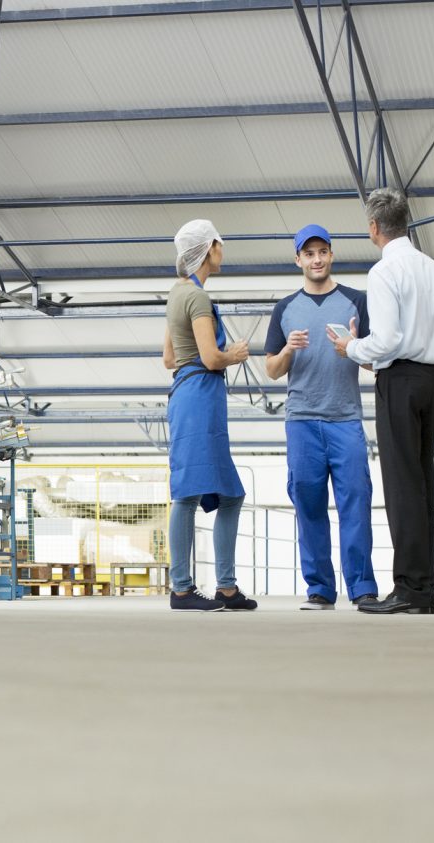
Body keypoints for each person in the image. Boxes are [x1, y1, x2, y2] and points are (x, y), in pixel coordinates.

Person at [329, 188, 434, 614]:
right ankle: (423, 589)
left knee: (403, 486)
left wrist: (352, 346)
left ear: (373, 228)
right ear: (407, 221)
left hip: (400, 381)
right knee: (422, 483)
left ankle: (408, 588)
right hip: (433, 380)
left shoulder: (385, 273)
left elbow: (386, 340)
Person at [264, 224, 378, 610]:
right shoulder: (284, 309)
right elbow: (272, 370)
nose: (316, 259)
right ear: (298, 259)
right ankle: (320, 589)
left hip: (345, 419)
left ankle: (362, 587)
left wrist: (354, 350)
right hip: (302, 422)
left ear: (332, 255)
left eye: (322, 252)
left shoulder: (356, 301)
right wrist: (289, 351)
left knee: (356, 502)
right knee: (308, 504)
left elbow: (376, 361)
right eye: (308, 254)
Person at [163, 219, 258, 612]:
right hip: (200, 395)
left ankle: (226, 588)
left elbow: (169, 358)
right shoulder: (198, 299)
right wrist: (233, 354)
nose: (223, 249)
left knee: (230, 493)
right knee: (187, 493)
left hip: (189, 395)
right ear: (209, 248)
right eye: (220, 242)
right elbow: (210, 357)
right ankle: (182, 589)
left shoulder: (176, 294)